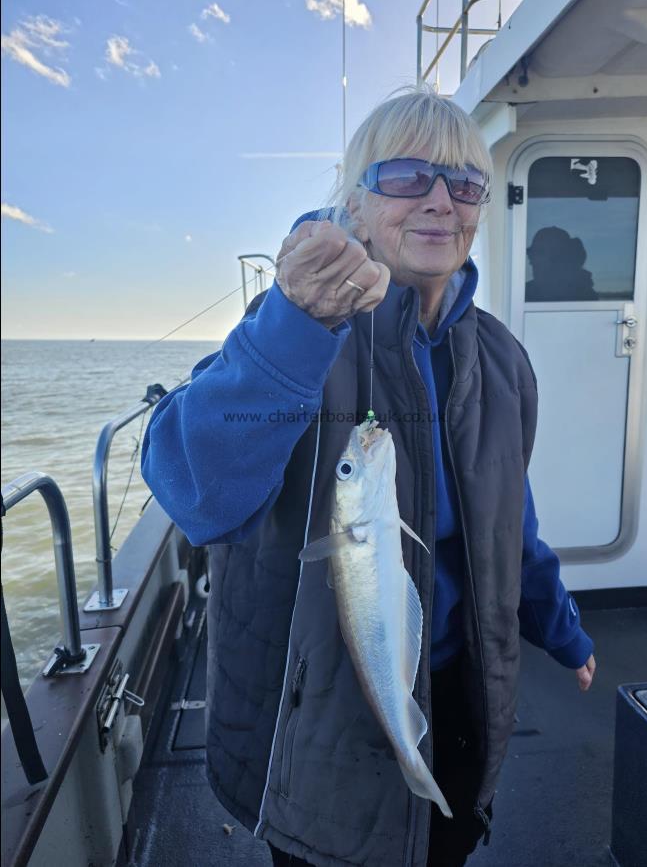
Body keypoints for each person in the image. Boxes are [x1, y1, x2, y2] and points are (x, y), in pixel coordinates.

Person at [141, 88, 596, 867]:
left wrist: (558, 626)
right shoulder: (293, 328)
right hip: (314, 727)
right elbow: (196, 493)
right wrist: (292, 326)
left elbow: (507, 522)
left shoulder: (500, 362)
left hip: (462, 694)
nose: (438, 202)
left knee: (445, 838)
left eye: (463, 183)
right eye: (405, 176)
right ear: (353, 202)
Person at [525, 226, 599, 302]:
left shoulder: (584, 297)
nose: (531, 262)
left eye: (537, 254)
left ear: (557, 258)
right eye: (531, 255)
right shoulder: (525, 293)